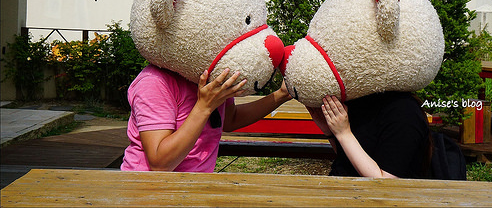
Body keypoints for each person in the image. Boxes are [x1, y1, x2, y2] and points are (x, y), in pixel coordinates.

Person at [121, 64, 291, 172]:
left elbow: (231, 119)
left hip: (194, 190)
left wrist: (281, 95)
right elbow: (160, 163)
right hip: (148, 193)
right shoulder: (155, 81)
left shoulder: (210, 77)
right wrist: (204, 107)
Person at [307, 92, 431, 178]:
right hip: (343, 191)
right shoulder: (360, 100)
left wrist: (343, 133)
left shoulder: (404, 110)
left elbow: (386, 183)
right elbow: (349, 160)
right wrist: (330, 132)